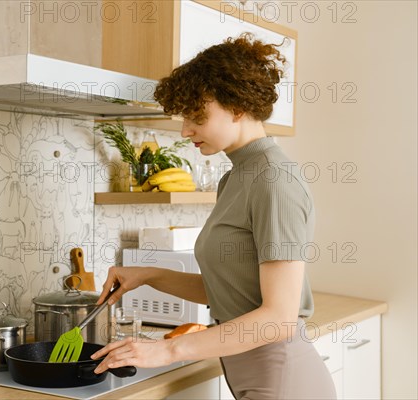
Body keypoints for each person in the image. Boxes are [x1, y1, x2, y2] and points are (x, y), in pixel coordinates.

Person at [91, 33, 336, 399]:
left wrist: (167, 349)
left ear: (236, 107)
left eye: (196, 115)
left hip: (282, 377)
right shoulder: (236, 177)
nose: (186, 129)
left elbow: (278, 318)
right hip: (252, 371)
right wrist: (148, 275)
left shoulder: (273, 179)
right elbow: (232, 293)